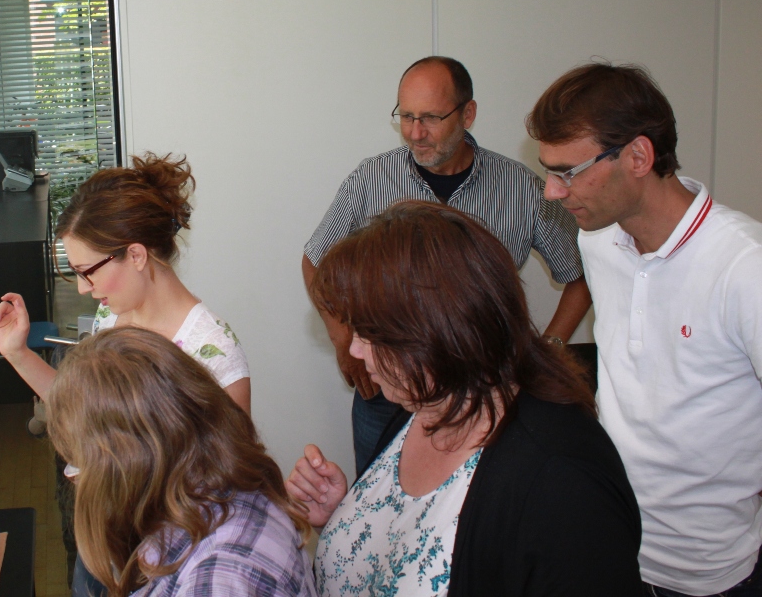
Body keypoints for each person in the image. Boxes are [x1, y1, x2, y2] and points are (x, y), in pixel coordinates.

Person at [287, 201, 642, 597]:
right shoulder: (423, 406)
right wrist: (345, 519)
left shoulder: (563, 483)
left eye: (369, 333)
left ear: (435, 331)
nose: (354, 350)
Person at [528, 62, 762, 597]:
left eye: (568, 171)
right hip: (608, 540)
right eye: (548, 171)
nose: (552, 192)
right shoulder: (596, 241)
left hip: (707, 573)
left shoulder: (744, 267)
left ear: (638, 156)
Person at [303, 55, 590, 476]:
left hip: (483, 393)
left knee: (475, 501)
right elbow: (316, 260)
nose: (415, 133)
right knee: (376, 501)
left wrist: (550, 347)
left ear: (467, 114)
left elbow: (580, 276)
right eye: (406, 117)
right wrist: (342, 337)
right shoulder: (370, 179)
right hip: (386, 392)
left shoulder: (522, 189)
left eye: (431, 118)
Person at [0, 152, 249, 596]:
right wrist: (17, 353)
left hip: (162, 565)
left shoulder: (213, 354)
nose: (84, 289)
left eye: (88, 272)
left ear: (136, 255)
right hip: (99, 539)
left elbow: (227, 489)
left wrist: (121, 478)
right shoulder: (113, 316)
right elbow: (80, 403)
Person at [49, 327, 314, 597]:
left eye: (79, 467)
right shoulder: (223, 490)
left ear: (127, 467)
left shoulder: (214, 581)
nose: (77, 481)